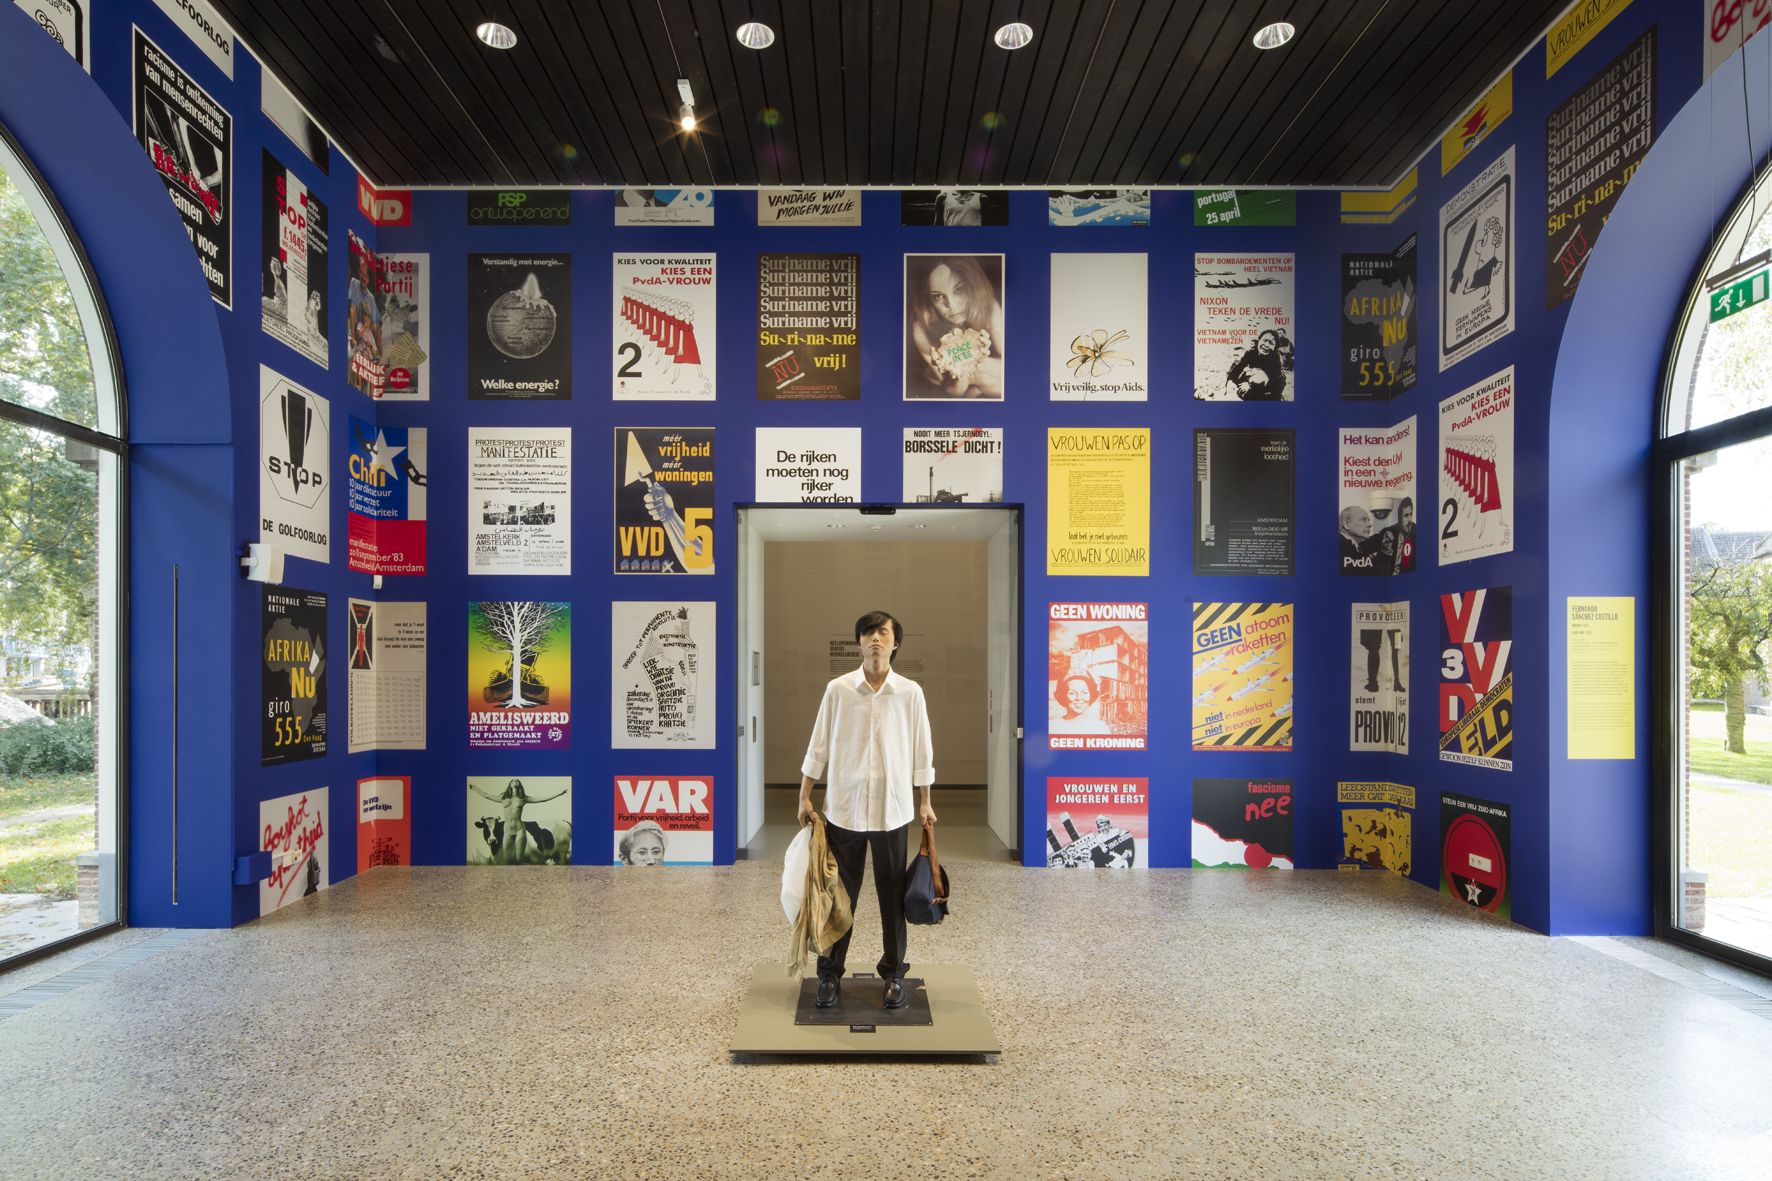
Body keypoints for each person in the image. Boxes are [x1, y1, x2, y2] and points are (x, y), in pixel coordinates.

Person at [798, 610, 936, 1010]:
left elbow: (922, 751)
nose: (876, 638)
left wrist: (925, 801)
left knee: (893, 896)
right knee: (840, 896)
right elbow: (818, 746)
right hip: (845, 809)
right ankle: (828, 975)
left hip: (893, 811)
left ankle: (894, 975)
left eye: (884, 633)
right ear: (858, 642)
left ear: (895, 644)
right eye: (868, 633)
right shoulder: (838, 690)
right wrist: (804, 795)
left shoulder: (910, 693)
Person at [908, 256, 1005, 399]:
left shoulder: (989, 308)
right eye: (938, 296)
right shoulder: (921, 329)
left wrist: (965, 358)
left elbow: (1011, 370)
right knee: (989, 380)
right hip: (956, 398)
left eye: (958, 290)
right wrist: (973, 372)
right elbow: (955, 390)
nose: (952, 305)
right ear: (928, 298)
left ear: (973, 286)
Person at [468, 778, 567, 863]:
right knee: (507, 860)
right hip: (507, 832)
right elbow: (487, 796)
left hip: (520, 830)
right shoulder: (503, 797)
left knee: (519, 860)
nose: (515, 782)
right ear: (510, 785)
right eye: (513, 781)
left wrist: (559, 793)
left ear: (519, 785)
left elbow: (542, 799)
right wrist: (476, 789)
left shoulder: (523, 798)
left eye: (517, 781)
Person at [1224, 330, 1287, 400]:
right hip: (1250, 385)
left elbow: (1279, 386)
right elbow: (1237, 369)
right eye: (1264, 340)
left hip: (1266, 394)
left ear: (1275, 347)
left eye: (1271, 343)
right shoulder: (1251, 353)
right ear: (1259, 340)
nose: (1266, 345)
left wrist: (1251, 389)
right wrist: (1230, 382)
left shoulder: (1276, 360)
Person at [1339, 505, 1377, 573]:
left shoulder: (1355, 547)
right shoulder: (1339, 547)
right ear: (1346, 523)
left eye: (1368, 520)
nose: (1370, 524)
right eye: (1363, 519)